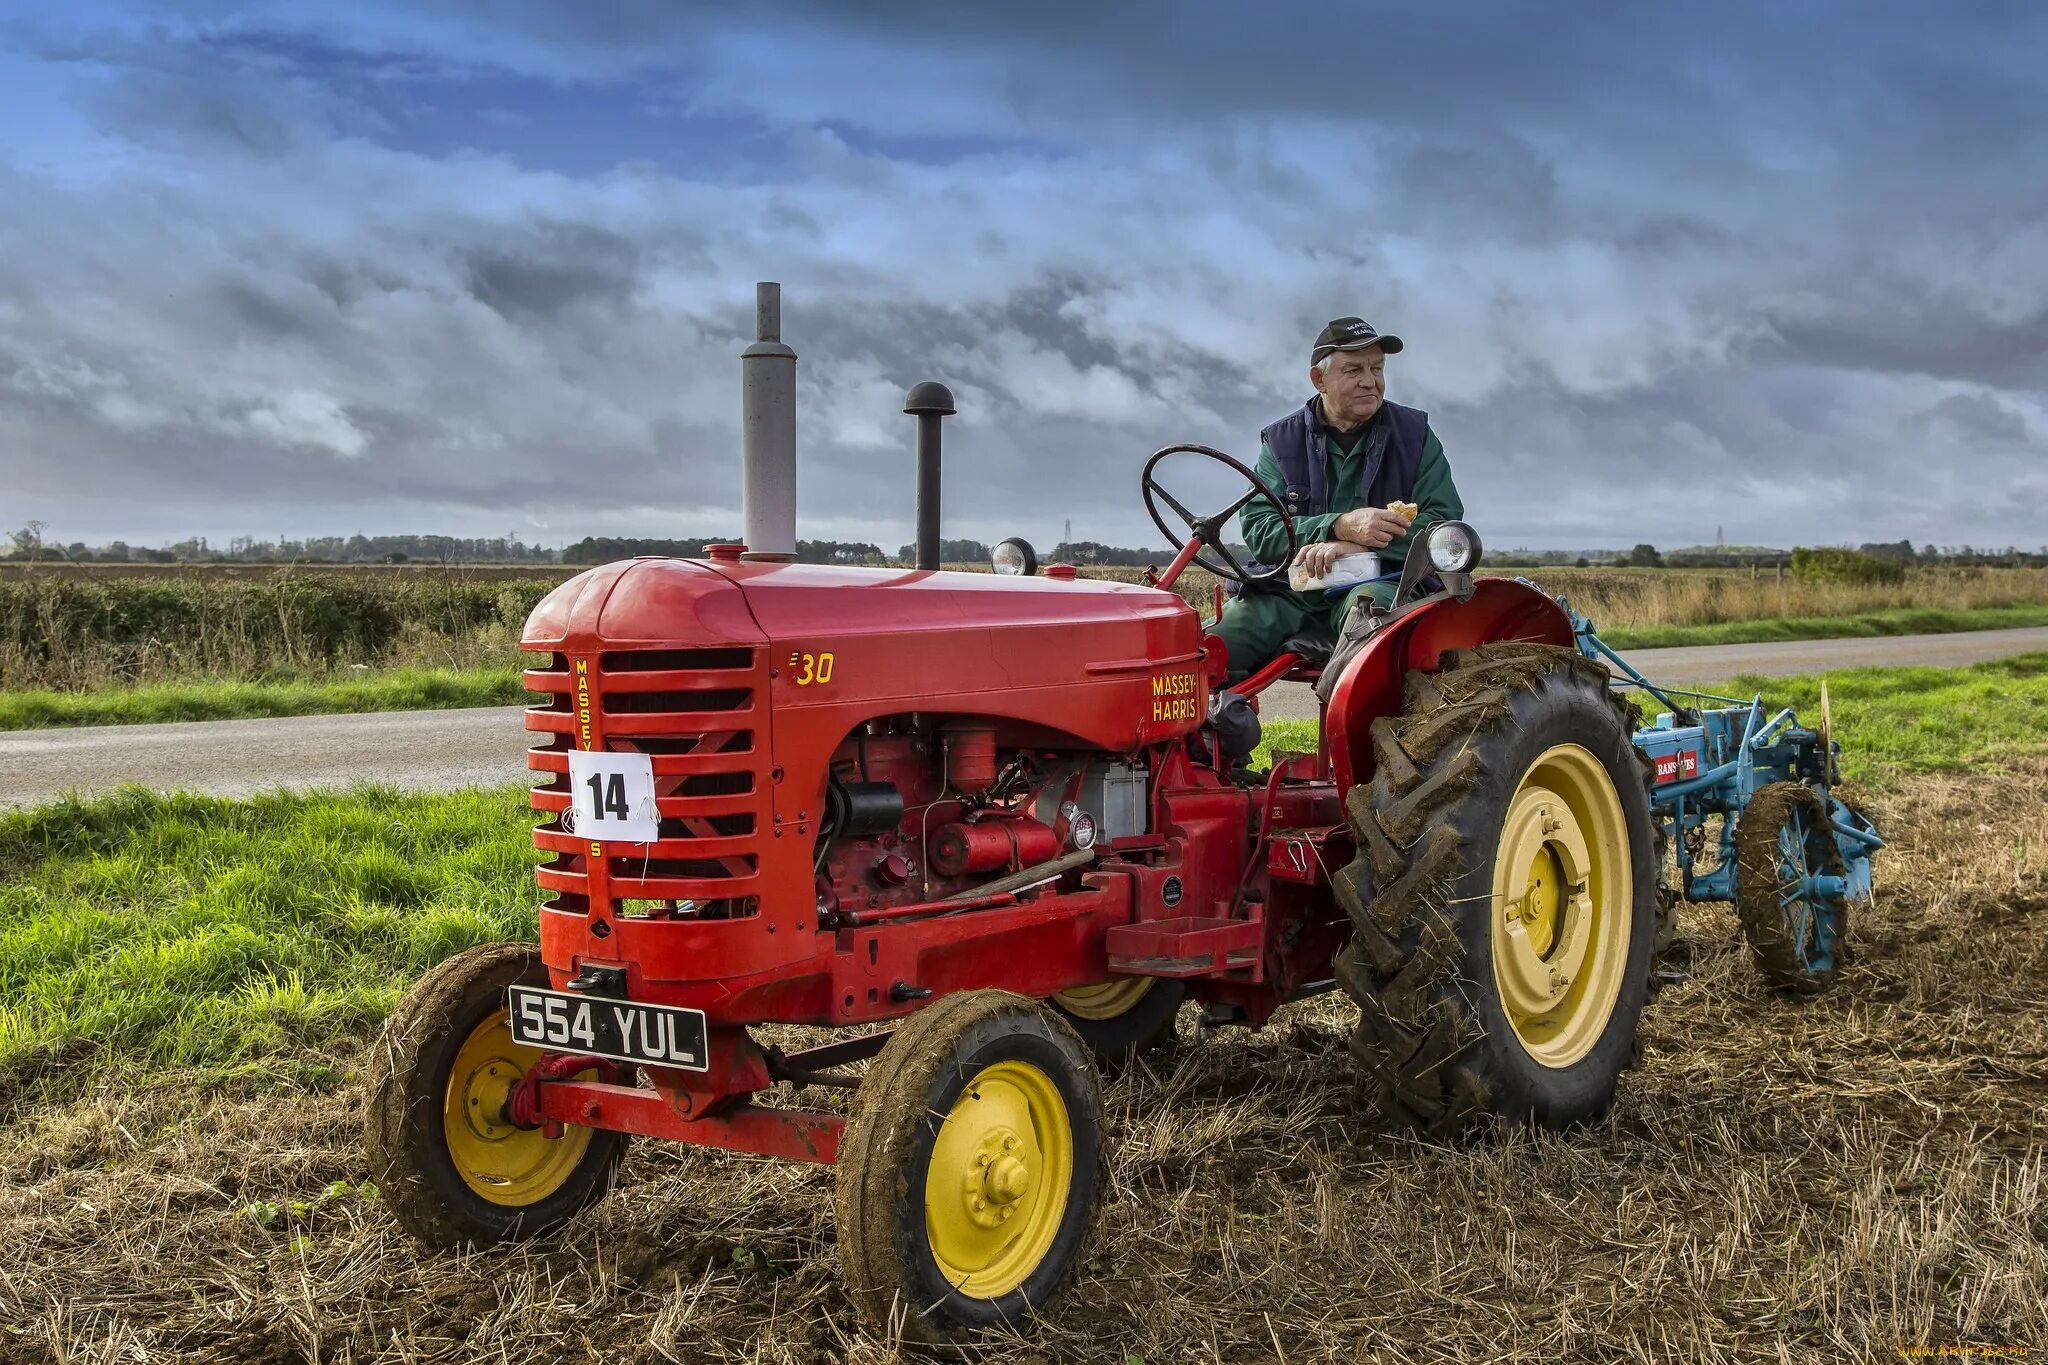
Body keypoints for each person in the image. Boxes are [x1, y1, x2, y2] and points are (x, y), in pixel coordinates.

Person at [1210, 316, 1465, 681]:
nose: (1370, 381)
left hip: (1379, 584)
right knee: (1207, 650)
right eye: (1353, 369)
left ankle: (1350, 722)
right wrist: (1337, 527)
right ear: (1319, 379)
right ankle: (1217, 729)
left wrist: (1361, 550)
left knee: (1371, 619)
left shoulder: (1416, 436)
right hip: (1292, 590)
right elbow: (1262, 531)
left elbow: (1443, 525)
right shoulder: (1281, 443)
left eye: (1377, 368)